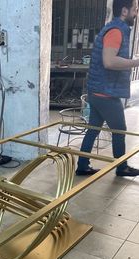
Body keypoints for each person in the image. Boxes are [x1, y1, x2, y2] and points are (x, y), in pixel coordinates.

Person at [76, 0, 139, 177]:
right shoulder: (116, 31)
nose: (136, 14)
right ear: (125, 11)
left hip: (98, 90)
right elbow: (109, 61)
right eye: (135, 10)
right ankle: (122, 167)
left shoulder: (113, 28)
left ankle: (82, 165)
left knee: (93, 129)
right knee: (120, 130)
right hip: (105, 93)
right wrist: (136, 62)